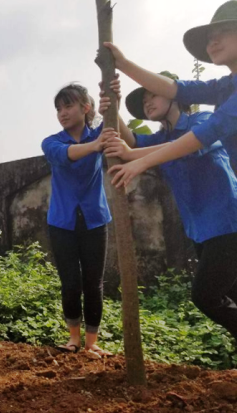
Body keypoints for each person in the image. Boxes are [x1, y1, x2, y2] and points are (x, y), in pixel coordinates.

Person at [101, 73, 237, 343]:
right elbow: (132, 143)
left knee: (205, 296)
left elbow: (187, 146)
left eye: (153, 94)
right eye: (144, 100)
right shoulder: (160, 138)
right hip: (201, 231)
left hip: (228, 222)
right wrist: (112, 106)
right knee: (230, 295)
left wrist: (132, 154)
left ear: (176, 96)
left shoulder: (202, 121)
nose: (148, 102)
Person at [104, 0, 237, 187]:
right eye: (210, 38)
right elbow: (179, 89)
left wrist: (138, 160)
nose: (213, 42)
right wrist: (123, 64)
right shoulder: (225, 86)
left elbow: (208, 131)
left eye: (224, 31)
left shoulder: (201, 119)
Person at [41, 83, 116, 358]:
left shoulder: (98, 133)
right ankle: (73, 339)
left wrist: (112, 99)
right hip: (62, 222)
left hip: (95, 219)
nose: (62, 113)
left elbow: (113, 123)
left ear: (85, 108)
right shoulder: (52, 142)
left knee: (94, 283)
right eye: (58, 108)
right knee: (70, 282)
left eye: (68, 106)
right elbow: (67, 155)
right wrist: (95, 146)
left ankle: (91, 343)